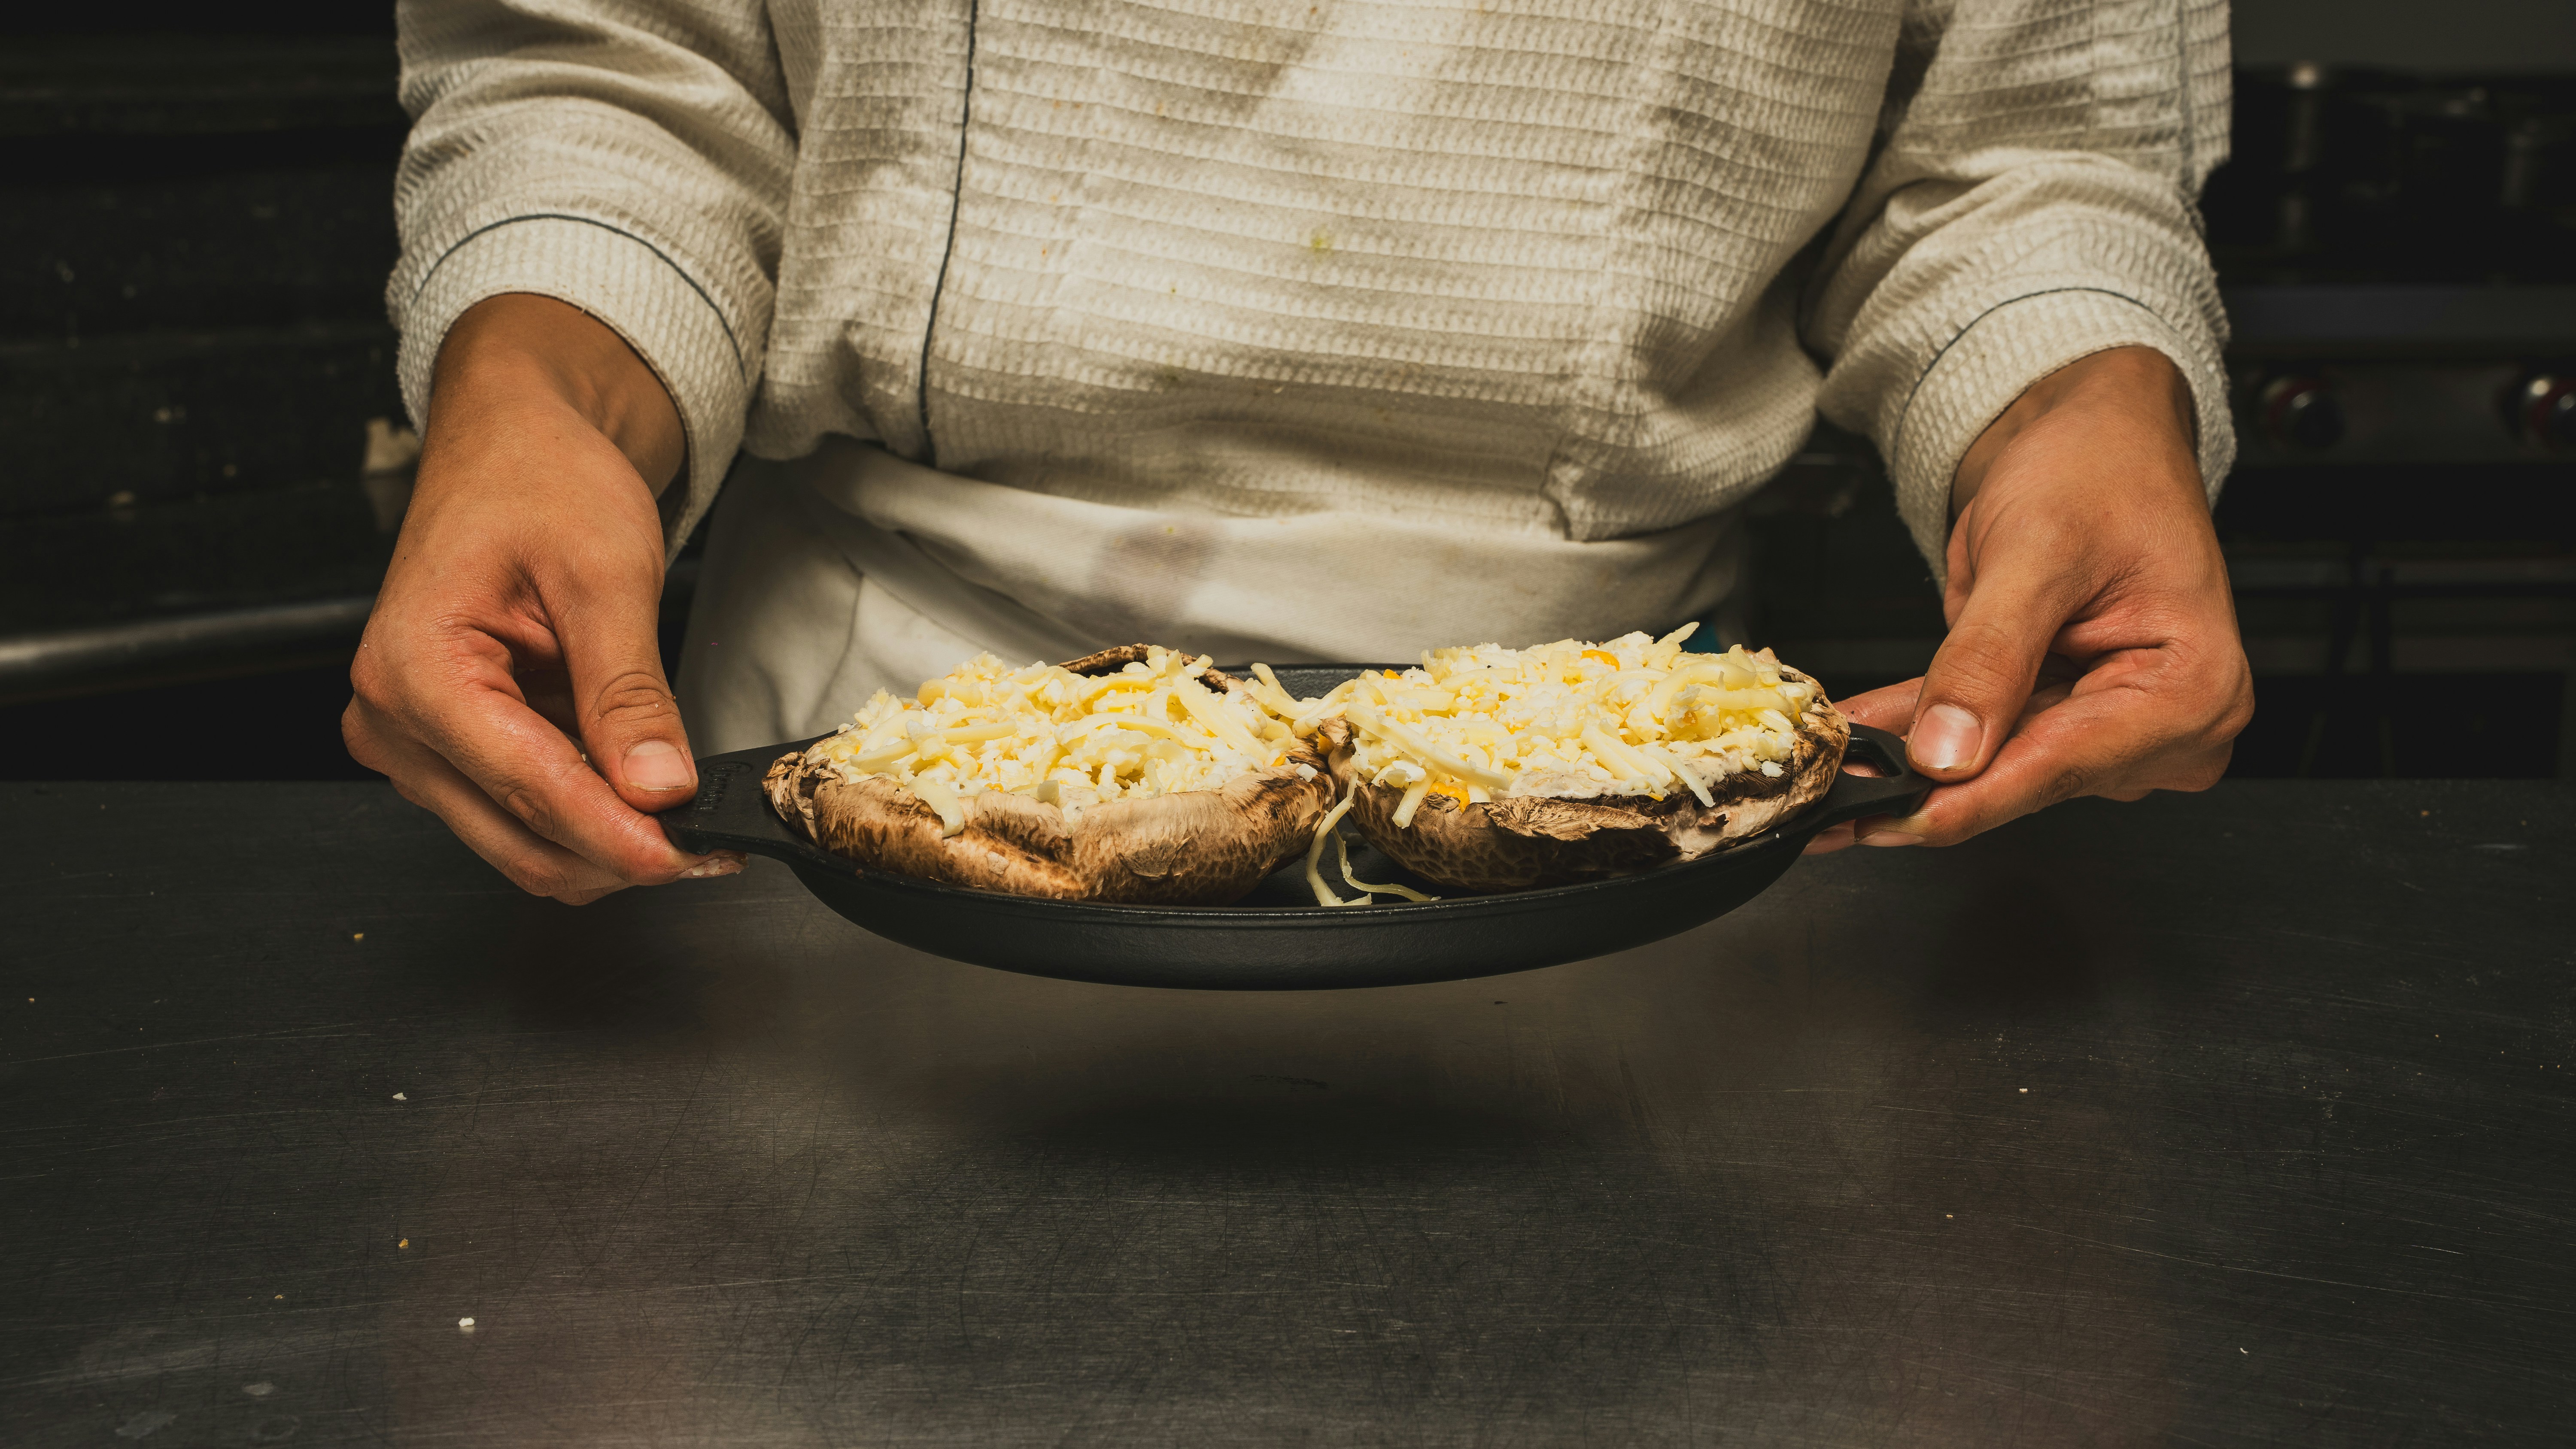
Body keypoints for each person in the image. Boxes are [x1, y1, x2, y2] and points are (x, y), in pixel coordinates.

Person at [346, 0, 2254, 903]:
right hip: (878, 763)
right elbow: (620, 70)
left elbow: (2030, 141)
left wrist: (2072, 398)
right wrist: (539, 393)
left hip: (1616, 807)